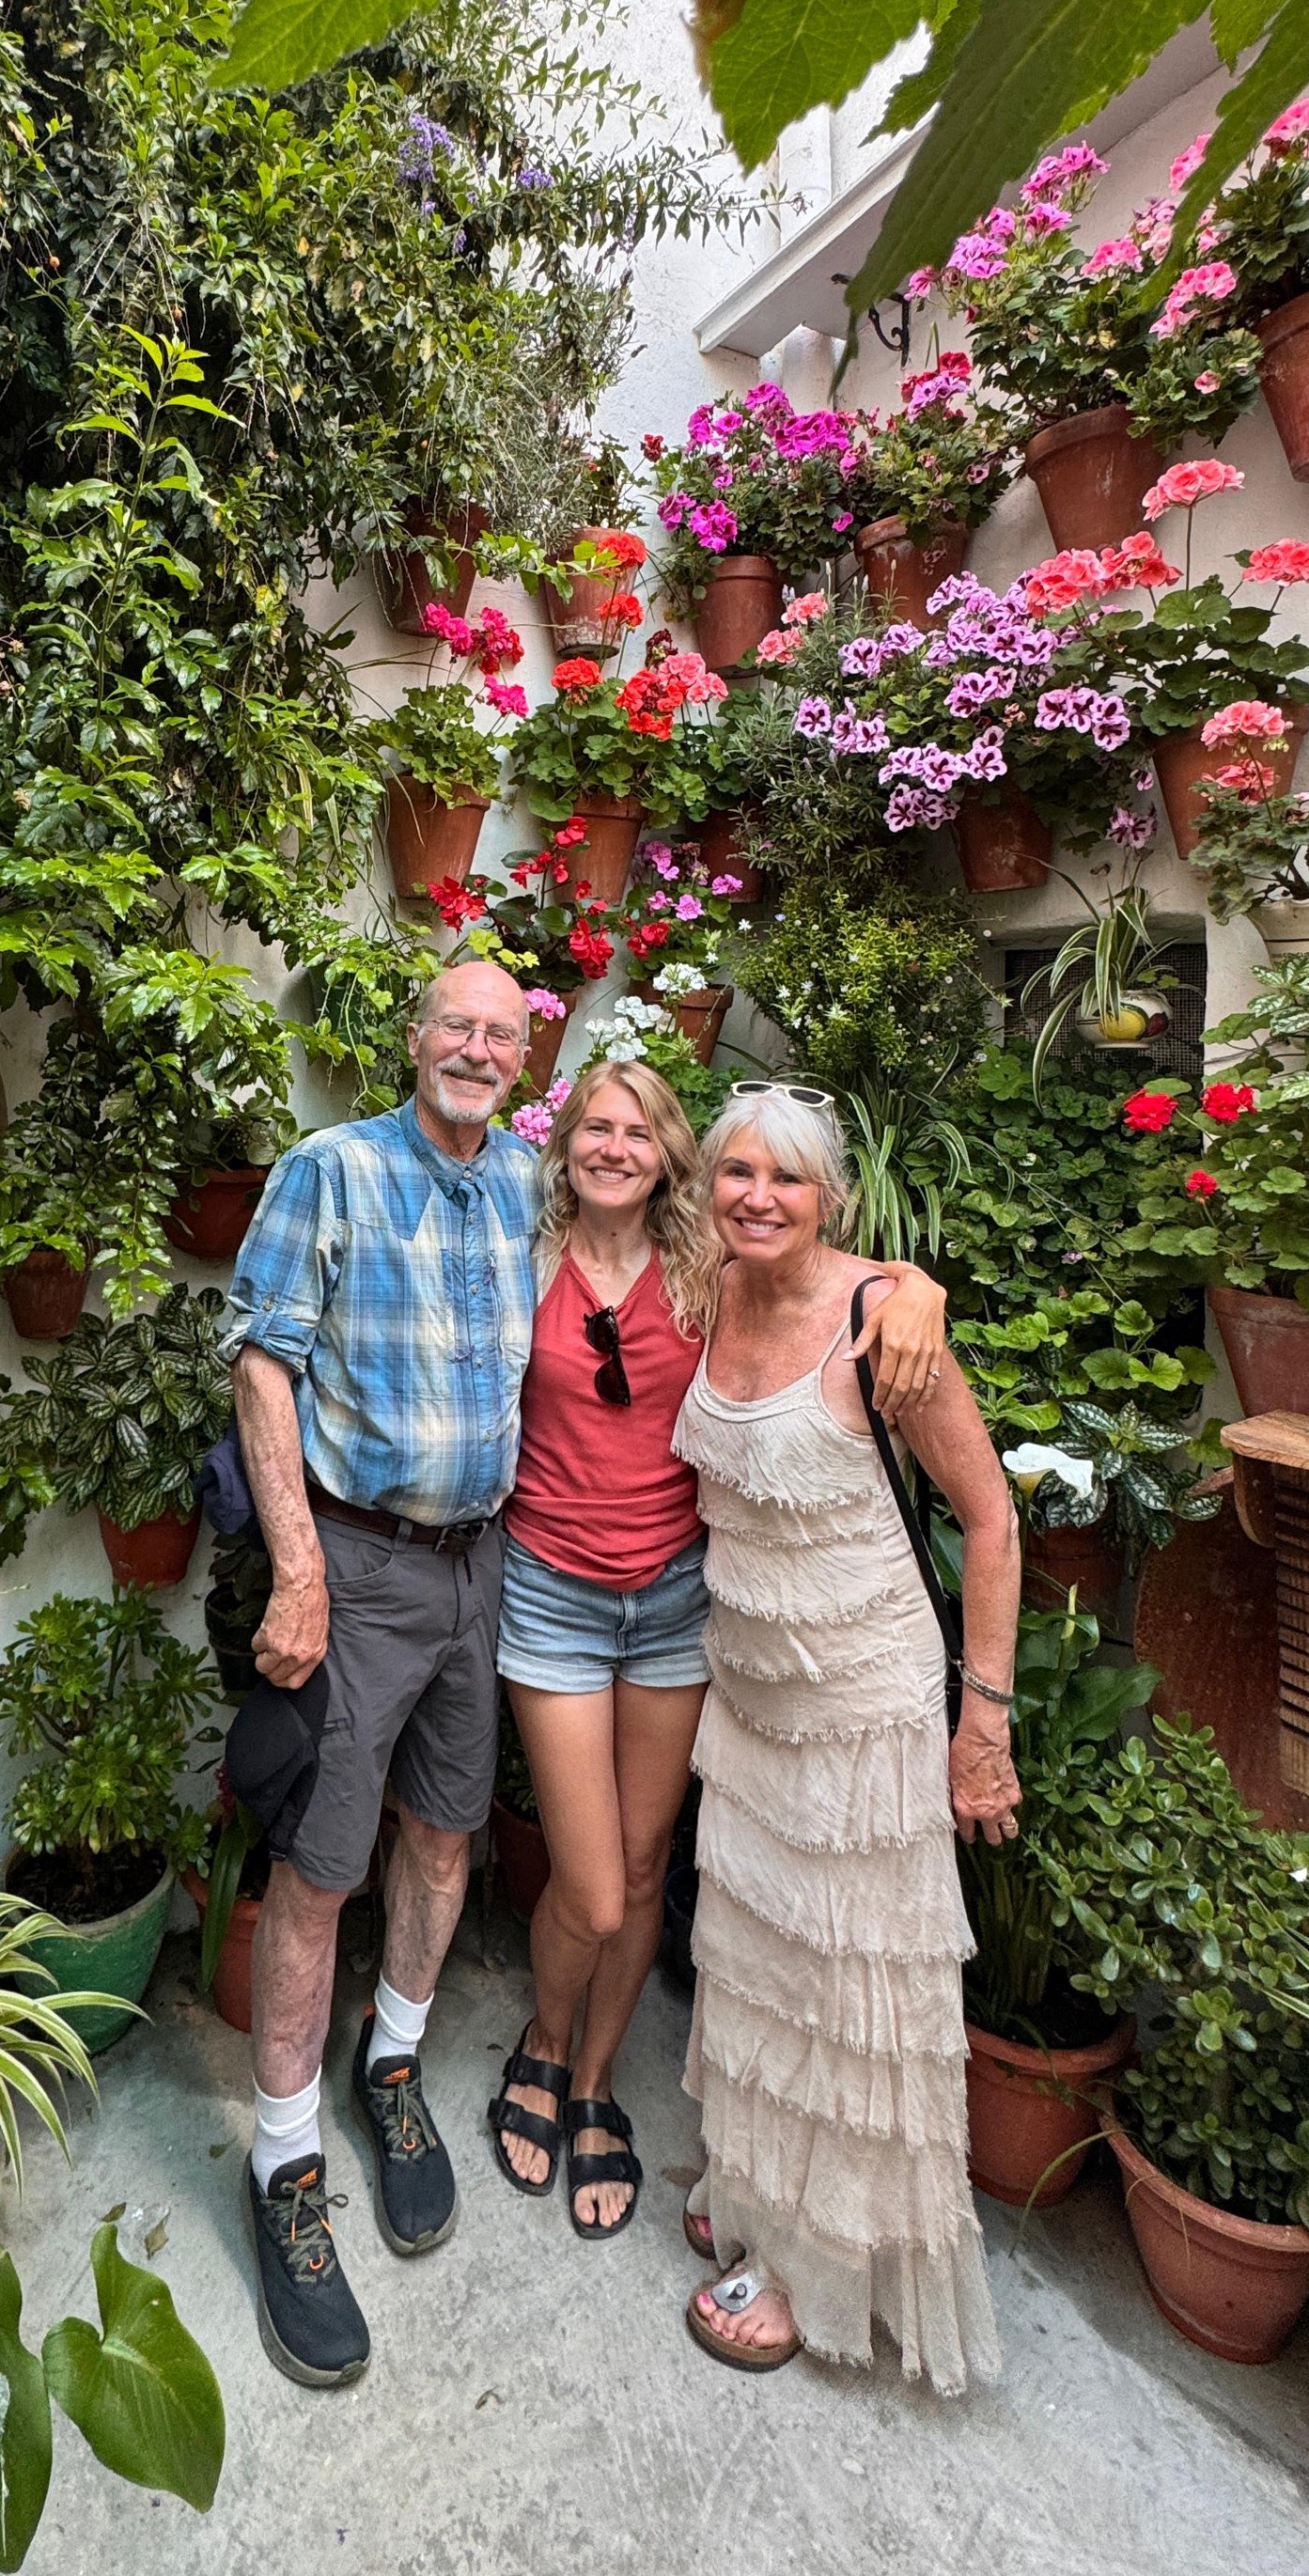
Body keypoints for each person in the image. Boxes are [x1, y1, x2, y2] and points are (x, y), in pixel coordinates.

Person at [487, 1062, 947, 2239]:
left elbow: (825, 1272)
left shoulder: (702, 1270)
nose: (614, 1147)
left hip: (675, 1603)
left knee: (646, 1868)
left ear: (666, 1158)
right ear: (564, 1144)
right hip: (552, 1597)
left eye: (638, 1132)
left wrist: (918, 1285)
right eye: (595, 1127)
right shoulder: (517, 1259)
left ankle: (593, 2082)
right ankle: (543, 2037)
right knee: (591, 1885)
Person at [670, 1084, 1021, 2390]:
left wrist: (981, 1729)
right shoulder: (711, 1286)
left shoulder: (883, 1322)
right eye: (738, 1171)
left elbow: (990, 1518)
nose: (759, 1196)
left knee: (845, 1995)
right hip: (752, 1705)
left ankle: (815, 2268)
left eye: (789, 1178)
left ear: (833, 1198)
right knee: (759, 1964)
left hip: (864, 1714)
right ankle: (754, 2192)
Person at [223, 956, 538, 2390]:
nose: (475, 1046)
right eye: (455, 1023)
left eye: (501, 1032)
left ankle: (391, 2062)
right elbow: (262, 1366)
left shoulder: (528, 1181)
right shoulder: (332, 1168)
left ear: (523, 1061)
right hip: (357, 1565)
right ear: (414, 1039)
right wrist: (297, 1569)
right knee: (318, 1870)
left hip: (483, 1565)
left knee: (448, 1829)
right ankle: (285, 2163)